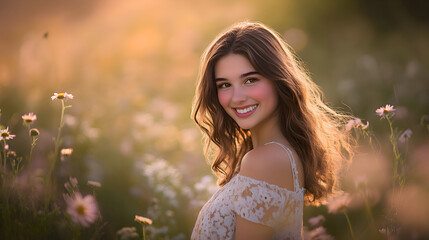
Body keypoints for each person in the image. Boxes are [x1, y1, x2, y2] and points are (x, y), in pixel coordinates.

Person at [191, 21, 352, 240]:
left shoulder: (266, 160)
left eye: (250, 80)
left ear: (278, 80)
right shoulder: (276, 155)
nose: (236, 97)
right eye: (225, 85)